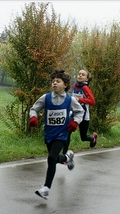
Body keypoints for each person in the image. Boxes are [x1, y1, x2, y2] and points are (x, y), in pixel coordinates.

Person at [29, 70, 84, 200]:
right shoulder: (46, 97)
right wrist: (33, 118)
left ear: (65, 85)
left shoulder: (70, 100)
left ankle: (46, 189)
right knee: (53, 158)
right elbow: (34, 108)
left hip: (62, 133)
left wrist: (75, 122)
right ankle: (66, 158)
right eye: (53, 81)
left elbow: (79, 112)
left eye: (58, 81)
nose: (54, 83)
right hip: (49, 134)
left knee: (51, 158)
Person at [63, 69, 98, 154]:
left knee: (83, 137)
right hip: (74, 114)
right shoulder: (74, 86)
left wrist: (79, 99)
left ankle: (93, 138)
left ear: (86, 79)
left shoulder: (85, 88)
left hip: (84, 115)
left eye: (83, 74)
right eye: (79, 74)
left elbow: (92, 101)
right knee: (68, 132)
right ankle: (64, 153)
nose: (80, 75)